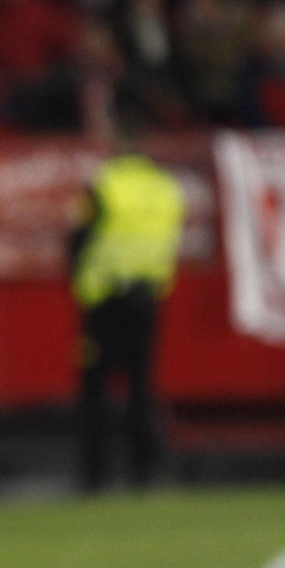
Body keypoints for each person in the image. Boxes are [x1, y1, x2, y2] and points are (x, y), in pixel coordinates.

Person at [68, 131, 185, 491]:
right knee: (140, 386)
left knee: (95, 389)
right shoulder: (166, 188)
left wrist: (79, 279)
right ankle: (145, 470)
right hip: (147, 298)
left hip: (103, 299)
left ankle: (95, 474)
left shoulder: (105, 184)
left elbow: (78, 237)